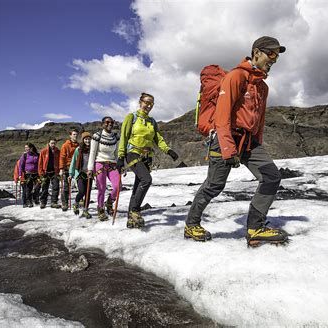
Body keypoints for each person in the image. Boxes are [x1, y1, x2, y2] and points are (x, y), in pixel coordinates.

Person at [184, 36, 288, 247]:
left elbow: (259, 121)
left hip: (248, 141)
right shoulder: (236, 76)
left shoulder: (262, 87)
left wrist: (257, 145)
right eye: (271, 53)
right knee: (214, 186)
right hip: (225, 139)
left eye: (277, 55)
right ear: (256, 52)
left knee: (271, 177)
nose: (274, 59)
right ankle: (191, 224)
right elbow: (222, 116)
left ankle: (255, 228)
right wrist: (229, 149)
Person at [117, 92, 179, 228]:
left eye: (151, 103)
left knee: (137, 186)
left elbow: (158, 139)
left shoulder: (152, 121)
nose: (148, 105)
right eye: (146, 102)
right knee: (147, 180)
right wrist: (121, 157)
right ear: (140, 102)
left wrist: (168, 150)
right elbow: (124, 137)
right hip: (133, 153)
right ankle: (135, 210)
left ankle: (130, 218)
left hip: (147, 157)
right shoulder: (131, 117)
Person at [88, 117, 120, 221]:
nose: (109, 124)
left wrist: (120, 165)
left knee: (118, 186)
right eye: (107, 122)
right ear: (102, 124)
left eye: (111, 122)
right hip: (99, 163)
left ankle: (109, 203)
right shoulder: (97, 136)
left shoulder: (115, 137)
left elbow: (117, 153)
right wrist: (90, 169)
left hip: (112, 164)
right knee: (101, 188)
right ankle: (100, 208)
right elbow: (92, 152)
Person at [69, 132, 93, 219]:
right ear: (83, 140)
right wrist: (71, 174)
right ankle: (76, 203)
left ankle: (85, 210)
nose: (87, 141)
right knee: (82, 191)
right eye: (86, 139)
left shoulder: (93, 149)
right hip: (80, 173)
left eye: (89, 139)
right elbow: (73, 162)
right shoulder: (78, 149)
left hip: (90, 173)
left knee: (88, 193)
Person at [59, 129, 79, 211]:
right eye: (74, 134)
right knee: (66, 187)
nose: (75, 136)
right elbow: (62, 157)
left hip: (77, 168)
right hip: (67, 168)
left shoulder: (78, 145)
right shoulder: (65, 145)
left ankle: (80, 201)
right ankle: (65, 203)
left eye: (76, 134)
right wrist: (61, 169)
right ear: (70, 135)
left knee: (80, 185)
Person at [38, 137, 60, 209]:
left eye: (54, 143)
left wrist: (59, 170)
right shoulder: (43, 151)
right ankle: (43, 202)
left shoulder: (57, 151)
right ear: (48, 143)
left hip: (54, 172)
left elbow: (60, 161)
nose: (53, 145)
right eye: (51, 143)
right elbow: (40, 162)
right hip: (45, 172)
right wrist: (41, 172)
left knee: (56, 187)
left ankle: (54, 202)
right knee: (44, 188)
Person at [18, 143, 39, 207]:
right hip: (28, 174)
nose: (26, 149)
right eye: (25, 147)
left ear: (31, 148)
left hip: (36, 174)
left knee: (38, 187)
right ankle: (29, 202)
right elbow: (21, 166)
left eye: (27, 147)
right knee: (29, 188)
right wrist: (20, 174)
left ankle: (34, 197)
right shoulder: (24, 155)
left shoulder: (37, 155)